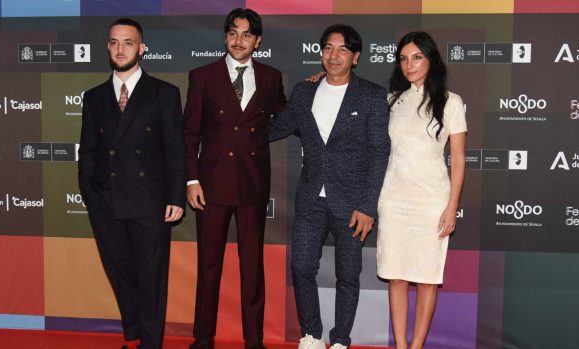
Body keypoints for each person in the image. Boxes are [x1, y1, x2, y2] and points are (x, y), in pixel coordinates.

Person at [270, 24, 389, 349]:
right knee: (301, 267)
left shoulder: (372, 95)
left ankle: (340, 341)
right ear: (320, 52)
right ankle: (311, 334)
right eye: (328, 48)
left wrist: (367, 206)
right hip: (311, 198)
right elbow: (277, 128)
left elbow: (380, 152)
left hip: (352, 204)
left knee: (348, 276)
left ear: (355, 57)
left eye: (342, 50)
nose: (334, 55)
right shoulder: (304, 91)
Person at [78, 18, 186, 349]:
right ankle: (133, 335)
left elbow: (174, 149)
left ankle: (151, 344)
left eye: (128, 42)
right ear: (108, 47)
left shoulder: (165, 93)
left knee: (151, 278)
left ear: (142, 48)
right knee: (121, 275)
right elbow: (89, 152)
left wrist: (176, 197)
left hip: (149, 202)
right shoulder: (94, 97)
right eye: (114, 42)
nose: (120, 48)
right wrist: (90, 196)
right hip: (106, 203)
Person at [183, 8, 286, 349]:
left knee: (252, 268)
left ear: (258, 41)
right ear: (225, 36)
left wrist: (315, 88)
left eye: (246, 35)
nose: (238, 40)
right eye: (233, 33)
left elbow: (284, 117)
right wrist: (192, 180)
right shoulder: (203, 76)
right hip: (210, 186)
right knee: (208, 265)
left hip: (252, 184)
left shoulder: (271, 77)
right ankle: (202, 337)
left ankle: (254, 340)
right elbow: (190, 134)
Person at [376, 31, 467, 349]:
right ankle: (400, 345)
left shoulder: (451, 102)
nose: (409, 64)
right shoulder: (391, 100)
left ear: (431, 60)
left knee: (427, 278)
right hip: (394, 198)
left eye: (416, 57)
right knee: (397, 275)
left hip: (432, 201)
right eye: (403, 58)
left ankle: (416, 347)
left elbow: (457, 158)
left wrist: (451, 205)